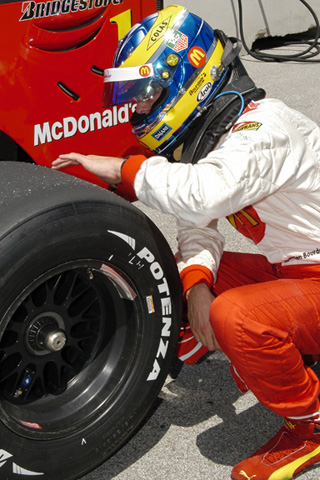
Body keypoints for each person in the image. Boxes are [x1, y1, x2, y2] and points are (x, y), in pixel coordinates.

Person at [52, 5, 320, 480]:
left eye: (143, 94)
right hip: (296, 272)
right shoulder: (225, 136)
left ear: (185, 77)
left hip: (311, 276)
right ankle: (263, 354)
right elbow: (198, 222)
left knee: (235, 316)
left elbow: (203, 195)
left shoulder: (264, 128)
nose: (136, 108)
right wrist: (197, 286)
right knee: (168, 270)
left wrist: (121, 168)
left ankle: (310, 428)